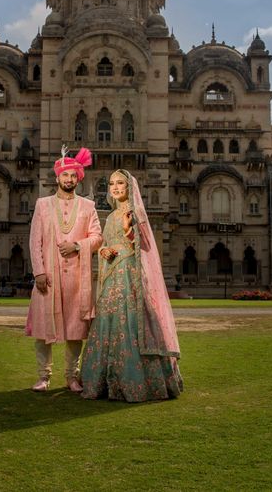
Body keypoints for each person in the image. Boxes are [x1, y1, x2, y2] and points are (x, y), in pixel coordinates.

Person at [81, 169, 183, 402]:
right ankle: (103, 382)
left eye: (121, 184)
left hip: (131, 276)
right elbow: (105, 244)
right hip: (112, 278)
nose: (115, 188)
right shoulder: (110, 217)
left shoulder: (136, 213)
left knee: (133, 324)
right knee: (109, 324)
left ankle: (138, 382)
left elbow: (146, 247)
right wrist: (103, 251)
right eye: (111, 184)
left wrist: (129, 231)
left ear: (130, 188)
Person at [25, 147, 103, 392]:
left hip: (77, 279)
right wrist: (38, 271)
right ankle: (44, 376)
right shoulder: (43, 205)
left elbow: (98, 238)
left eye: (73, 176)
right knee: (43, 330)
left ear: (79, 179)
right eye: (65, 175)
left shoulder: (88, 206)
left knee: (75, 331)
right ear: (57, 176)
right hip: (48, 275)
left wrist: (78, 245)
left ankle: (72, 377)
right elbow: (34, 239)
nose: (69, 179)